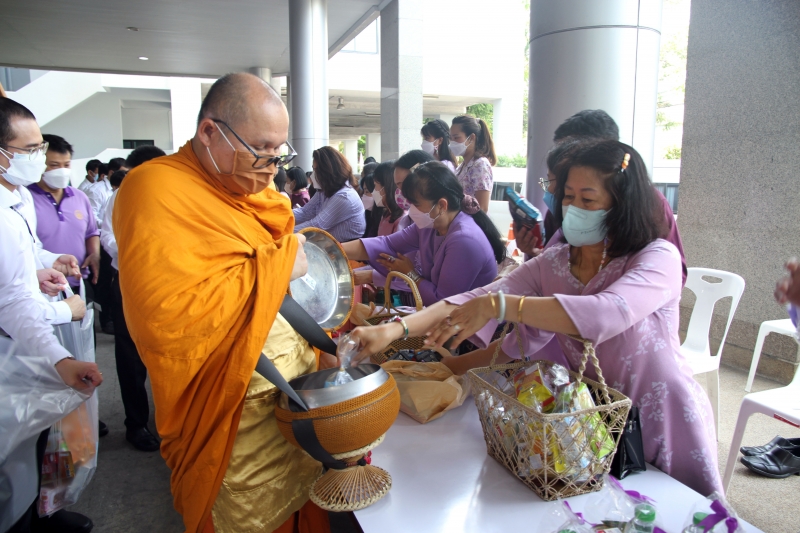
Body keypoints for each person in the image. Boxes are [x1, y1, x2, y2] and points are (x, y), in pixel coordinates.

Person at [350, 140, 723, 497]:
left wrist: (504, 306)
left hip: (662, 416)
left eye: (587, 199)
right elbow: (474, 299)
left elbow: (609, 313)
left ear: (621, 203)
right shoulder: (556, 263)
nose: (572, 207)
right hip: (590, 416)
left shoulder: (657, 258)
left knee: (680, 513)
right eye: (569, 197)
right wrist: (393, 330)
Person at [113, 72, 330, 533]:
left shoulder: (254, 190)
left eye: (279, 153)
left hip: (291, 396)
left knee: (303, 501)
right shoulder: (153, 188)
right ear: (210, 132)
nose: (272, 166)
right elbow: (166, 320)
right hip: (228, 412)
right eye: (261, 150)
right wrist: (280, 264)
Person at [1, 96, 101, 533]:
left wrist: (50, 260)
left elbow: (22, 261)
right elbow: (11, 301)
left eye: (41, 148)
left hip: (27, 343)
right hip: (17, 343)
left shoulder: (16, 196)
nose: (40, 159)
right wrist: (64, 313)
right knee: (12, 460)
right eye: (29, 150)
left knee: (34, 438)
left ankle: (41, 514)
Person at [522, 109, 688, 286]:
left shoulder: (650, 208)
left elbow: (676, 275)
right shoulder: (563, 203)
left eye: (587, 200)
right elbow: (543, 265)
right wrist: (533, 253)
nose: (556, 186)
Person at [344, 161, 506, 306]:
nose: (411, 210)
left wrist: (410, 274)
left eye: (416, 204)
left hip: (466, 330)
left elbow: (442, 302)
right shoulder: (430, 225)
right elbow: (387, 244)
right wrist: (335, 249)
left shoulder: (464, 240)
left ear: (441, 205)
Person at [102, 158, 162, 452]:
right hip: (129, 283)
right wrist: (138, 254)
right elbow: (107, 236)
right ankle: (136, 424)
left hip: (169, 286)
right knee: (130, 358)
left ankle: (175, 423)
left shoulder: (174, 195)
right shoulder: (120, 196)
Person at [28, 134, 100, 292]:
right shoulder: (25, 199)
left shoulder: (80, 197)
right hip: (41, 286)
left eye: (66, 165)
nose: (61, 171)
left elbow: (91, 232)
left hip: (78, 282)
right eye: (54, 165)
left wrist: (95, 254)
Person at [293, 146, 365, 242]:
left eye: (316, 170)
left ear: (328, 172)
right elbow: (305, 212)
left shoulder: (344, 196)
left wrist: (283, 233)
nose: (312, 175)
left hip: (343, 251)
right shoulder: (324, 191)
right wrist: (278, 215)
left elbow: (317, 225)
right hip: (328, 246)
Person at [451, 114, 496, 212]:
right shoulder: (462, 166)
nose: (452, 142)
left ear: (471, 138)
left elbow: (482, 208)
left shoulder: (480, 165)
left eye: (456, 137)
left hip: (472, 225)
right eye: (451, 138)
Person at [372, 160, 404, 236]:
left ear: (386, 187)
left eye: (376, 185)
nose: (374, 191)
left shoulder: (401, 220)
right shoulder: (387, 214)